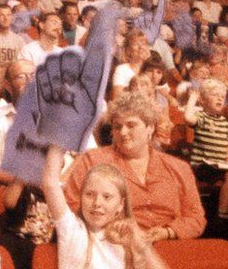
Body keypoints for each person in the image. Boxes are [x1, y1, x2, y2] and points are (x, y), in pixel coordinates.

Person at [42, 145, 175, 269]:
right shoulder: (73, 230)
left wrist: (141, 246)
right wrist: (60, 138)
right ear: (81, 198)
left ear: (120, 205)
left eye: (107, 197)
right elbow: (49, 183)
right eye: (89, 195)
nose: (97, 203)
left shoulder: (127, 239)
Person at [64, 92, 207, 240]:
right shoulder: (93, 160)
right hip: (113, 245)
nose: (123, 132)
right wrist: (110, 230)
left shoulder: (179, 167)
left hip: (168, 245)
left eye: (131, 125)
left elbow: (196, 218)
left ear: (150, 127)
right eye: (117, 127)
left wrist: (169, 232)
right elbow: (71, 205)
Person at [184, 79, 228, 224]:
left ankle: (222, 215)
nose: (220, 98)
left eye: (222, 96)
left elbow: (227, 147)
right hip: (202, 166)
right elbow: (187, 117)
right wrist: (192, 98)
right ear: (203, 101)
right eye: (214, 95)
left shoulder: (224, 122)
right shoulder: (202, 117)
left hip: (220, 166)